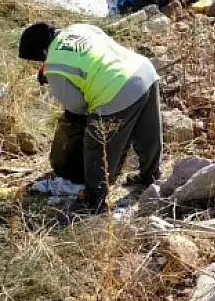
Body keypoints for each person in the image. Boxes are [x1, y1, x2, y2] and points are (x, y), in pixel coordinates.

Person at [19, 22, 163, 211]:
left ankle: (93, 201)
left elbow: (76, 107)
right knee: (147, 133)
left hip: (116, 89)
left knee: (95, 145)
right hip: (143, 69)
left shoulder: (53, 66)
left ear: (40, 53)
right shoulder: (78, 28)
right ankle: (150, 176)